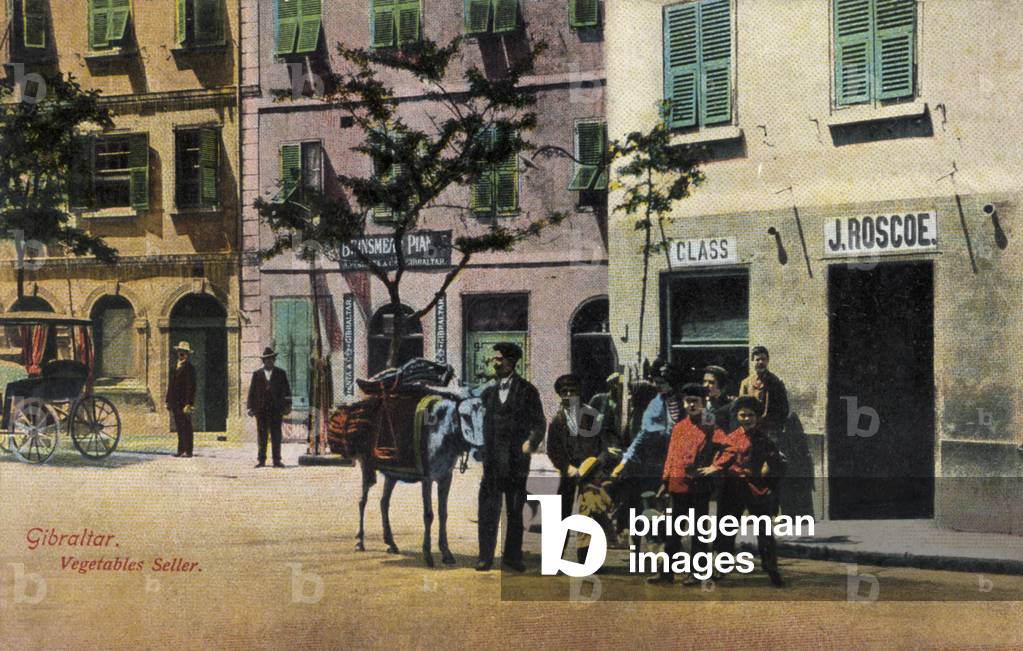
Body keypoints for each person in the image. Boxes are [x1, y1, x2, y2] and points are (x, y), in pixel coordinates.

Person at [649, 383, 732, 586]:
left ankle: (698, 573)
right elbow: (671, 456)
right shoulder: (679, 427)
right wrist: (664, 481)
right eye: (688, 401)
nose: (691, 405)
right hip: (677, 485)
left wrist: (715, 466)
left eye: (695, 401)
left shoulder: (709, 425)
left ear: (703, 403)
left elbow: (730, 447)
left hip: (699, 487)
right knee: (673, 531)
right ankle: (667, 573)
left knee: (698, 532)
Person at [476, 342, 546, 573]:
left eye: (499, 359)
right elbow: (478, 424)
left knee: (515, 511)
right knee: (488, 510)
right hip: (493, 462)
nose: (495, 363)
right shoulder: (488, 393)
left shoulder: (527, 391)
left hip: (516, 462)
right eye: (494, 359)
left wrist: (531, 442)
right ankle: (485, 557)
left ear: (511, 362)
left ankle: (513, 557)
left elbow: (539, 423)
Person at [713, 396, 786, 587]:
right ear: (737, 416)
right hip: (732, 489)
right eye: (743, 415)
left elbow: (775, 465)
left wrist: (769, 484)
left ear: (758, 417)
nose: (747, 419)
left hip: (757, 490)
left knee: (764, 531)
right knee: (726, 529)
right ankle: (722, 567)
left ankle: (771, 569)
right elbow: (719, 463)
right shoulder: (729, 439)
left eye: (751, 415)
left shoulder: (764, 440)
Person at [546, 374, 616, 560]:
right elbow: (553, 450)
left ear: (579, 393)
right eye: (564, 392)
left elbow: (603, 447)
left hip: (590, 472)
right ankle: (555, 558)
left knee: (589, 515)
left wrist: (594, 464)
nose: (569, 395)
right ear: (560, 395)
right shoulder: (557, 421)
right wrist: (566, 467)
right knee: (562, 514)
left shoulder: (591, 416)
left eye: (573, 391)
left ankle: (588, 559)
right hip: (568, 472)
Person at [247, 347, 292, 468]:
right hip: (261, 410)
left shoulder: (281, 373)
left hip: (276, 410)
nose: (269, 362)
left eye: (271, 359)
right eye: (266, 360)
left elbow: (287, 391)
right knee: (262, 435)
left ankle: (277, 460)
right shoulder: (257, 374)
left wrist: (287, 406)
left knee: (276, 435)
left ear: (274, 360)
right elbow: (252, 392)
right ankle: (261, 460)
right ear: (263, 361)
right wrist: (250, 407)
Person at [739, 346, 789, 438]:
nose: (761, 362)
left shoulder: (776, 382)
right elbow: (741, 408)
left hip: (770, 431)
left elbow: (784, 409)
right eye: (757, 359)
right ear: (752, 361)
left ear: (767, 361)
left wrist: (777, 429)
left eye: (763, 359)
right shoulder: (745, 383)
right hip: (751, 430)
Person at [166, 341, 197, 458]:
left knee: (187, 426)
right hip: (175, 401)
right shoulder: (174, 367)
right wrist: (168, 401)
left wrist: (189, 403)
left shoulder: (190, 368)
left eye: (183, 353)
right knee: (179, 426)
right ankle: (180, 450)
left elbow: (191, 387)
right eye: (179, 352)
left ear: (187, 355)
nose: (181, 355)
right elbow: (170, 385)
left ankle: (188, 451)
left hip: (184, 402)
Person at [702, 364, 735, 431]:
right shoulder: (701, 403)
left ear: (721, 385)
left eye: (711, 382)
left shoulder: (730, 406)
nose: (705, 385)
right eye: (704, 381)